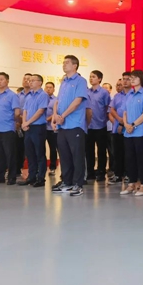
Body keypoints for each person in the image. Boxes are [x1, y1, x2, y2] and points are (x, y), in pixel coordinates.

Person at [52, 55, 88, 196]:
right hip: (62, 125)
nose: (64, 65)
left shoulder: (80, 81)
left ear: (75, 66)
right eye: (63, 62)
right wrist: (55, 116)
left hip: (74, 124)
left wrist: (63, 116)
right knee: (64, 155)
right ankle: (67, 182)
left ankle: (78, 184)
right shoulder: (64, 82)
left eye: (67, 63)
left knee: (77, 155)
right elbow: (57, 101)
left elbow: (78, 101)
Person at [120, 70, 143, 196]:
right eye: (131, 78)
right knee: (129, 159)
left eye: (135, 78)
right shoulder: (129, 95)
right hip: (128, 132)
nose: (132, 80)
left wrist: (133, 125)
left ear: (141, 79)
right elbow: (125, 112)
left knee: (142, 159)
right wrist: (126, 124)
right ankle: (131, 184)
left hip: (140, 132)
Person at [0, 72, 21, 185]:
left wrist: (11, 121)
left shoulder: (12, 95)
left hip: (7, 128)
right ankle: (0, 176)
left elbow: (17, 112)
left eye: (1, 79)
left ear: (7, 81)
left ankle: (12, 177)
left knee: (10, 154)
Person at [19, 74, 49, 187]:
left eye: (33, 80)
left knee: (39, 153)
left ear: (40, 82)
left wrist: (27, 122)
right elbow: (25, 110)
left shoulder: (43, 95)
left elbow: (40, 111)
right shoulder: (29, 96)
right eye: (29, 80)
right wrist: (24, 123)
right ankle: (31, 177)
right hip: (28, 127)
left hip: (38, 127)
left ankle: (40, 178)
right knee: (30, 153)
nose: (30, 82)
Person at [86, 70, 111, 182]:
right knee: (89, 151)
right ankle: (90, 172)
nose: (91, 79)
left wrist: (103, 119)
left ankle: (101, 172)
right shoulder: (87, 92)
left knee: (101, 151)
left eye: (94, 77)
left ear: (99, 79)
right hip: (88, 126)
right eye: (90, 76)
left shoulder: (104, 93)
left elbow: (107, 108)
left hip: (100, 125)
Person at [108, 73, 131, 184]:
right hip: (116, 128)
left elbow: (131, 111)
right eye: (123, 79)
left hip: (129, 129)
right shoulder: (117, 96)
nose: (125, 81)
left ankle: (128, 174)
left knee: (128, 153)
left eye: (127, 79)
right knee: (117, 153)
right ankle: (118, 174)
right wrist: (119, 119)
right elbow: (112, 109)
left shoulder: (133, 94)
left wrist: (123, 123)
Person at [16, 73, 32, 178]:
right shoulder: (18, 95)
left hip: (30, 125)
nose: (26, 80)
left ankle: (33, 172)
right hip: (19, 126)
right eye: (24, 78)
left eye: (28, 79)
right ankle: (18, 170)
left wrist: (25, 121)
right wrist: (17, 121)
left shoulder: (34, 95)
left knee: (30, 149)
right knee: (18, 148)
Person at [44, 81, 58, 175]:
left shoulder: (56, 100)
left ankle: (52, 167)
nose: (48, 89)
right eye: (47, 87)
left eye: (50, 87)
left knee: (53, 148)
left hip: (51, 128)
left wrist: (47, 119)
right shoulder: (42, 99)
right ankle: (42, 168)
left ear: (53, 89)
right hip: (42, 128)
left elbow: (55, 113)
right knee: (41, 148)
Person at [103, 82, 114, 175]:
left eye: (106, 88)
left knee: (112, 150)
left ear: (110, 90)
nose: (104, 90)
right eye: (103, 88)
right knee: (103, 150)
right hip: (102, 128)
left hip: (111, 128)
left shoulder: (112, 100)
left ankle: (112, 168)